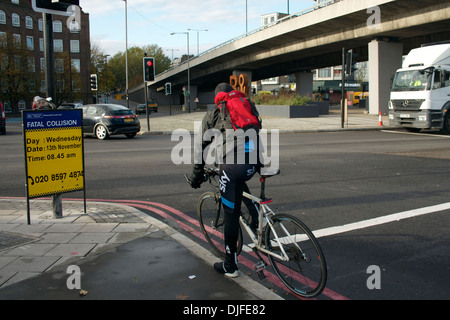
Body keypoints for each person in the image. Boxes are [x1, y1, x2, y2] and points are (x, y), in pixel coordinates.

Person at [186, 83, 262, 277]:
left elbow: (202, 147)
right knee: (238, 179)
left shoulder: (214, 113)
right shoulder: (247, 104)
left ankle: (230, 265)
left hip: (233, 166)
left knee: (231, 214)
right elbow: (256, 130)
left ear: (217, 96)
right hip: (254, 162)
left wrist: (196, 176)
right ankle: (256, 218)